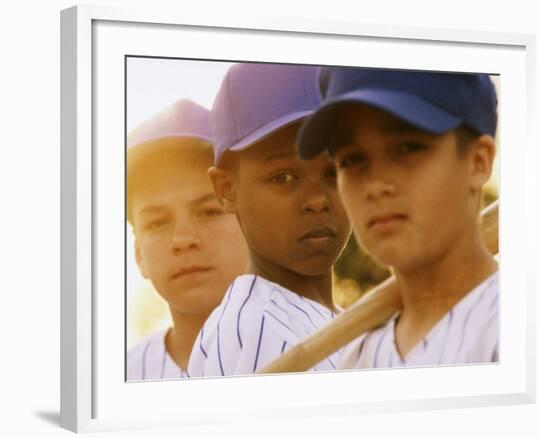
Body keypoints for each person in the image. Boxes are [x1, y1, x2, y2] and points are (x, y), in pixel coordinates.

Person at [298, 67, 499, 368]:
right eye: (352, 159)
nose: (376, 186)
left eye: (407, 148)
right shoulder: (354, 361)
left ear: (478, 161)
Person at [187, 63, 351, 377]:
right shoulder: (261, 330)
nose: (317, 200)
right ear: (227, 190)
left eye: (334, 171)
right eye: (283, 176)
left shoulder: (329, 321)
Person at [126, 99, 249, 380]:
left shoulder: (339, 355)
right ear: (139, 255)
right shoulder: (119, 378)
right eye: (157, 222)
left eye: (209, 211)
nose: (183, 239)